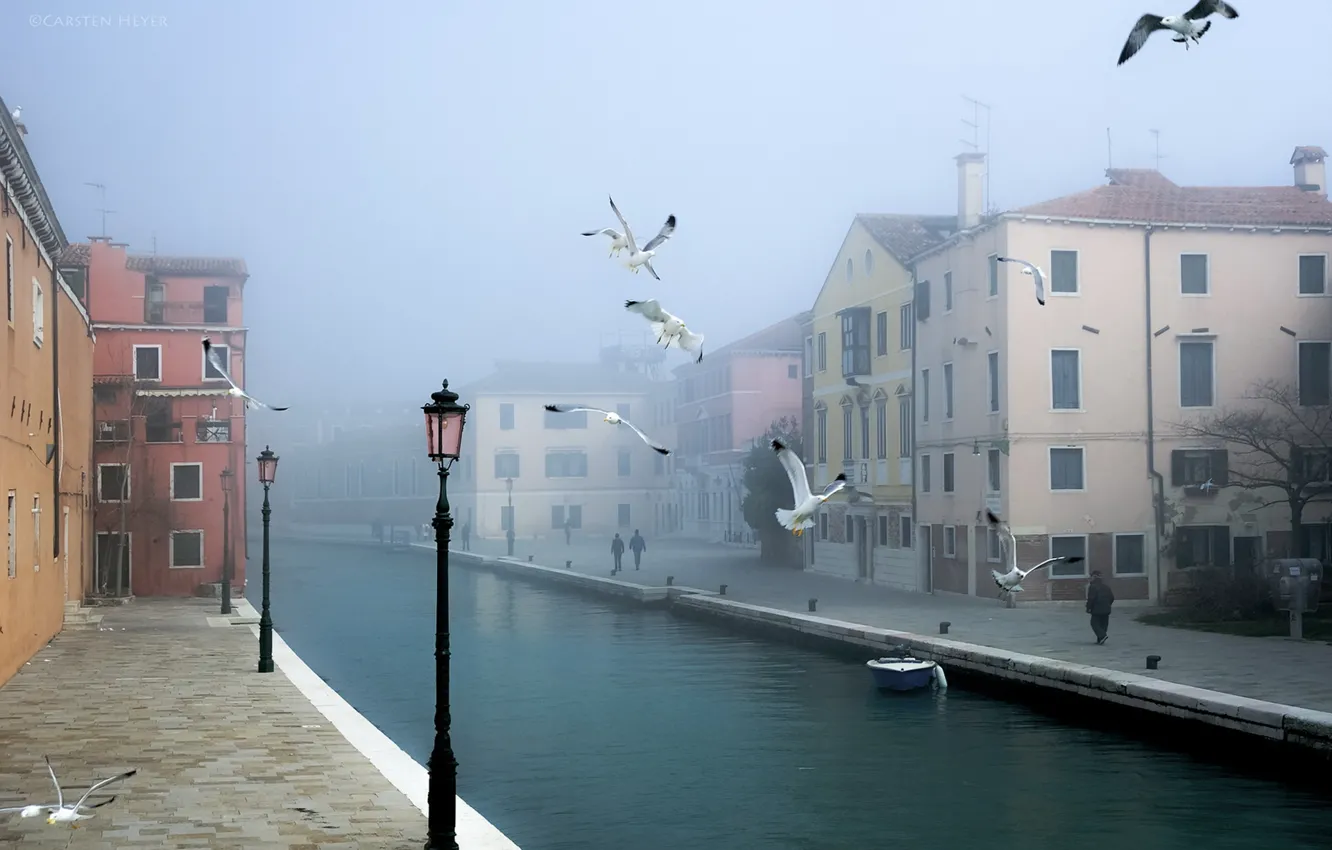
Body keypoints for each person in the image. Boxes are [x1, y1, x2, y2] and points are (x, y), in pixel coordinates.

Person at [1086, 570, 1115, 645]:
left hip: (1097, 608)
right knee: (1103, 624)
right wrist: (1108, 604)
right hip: (1106, 608)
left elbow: (1091, 598)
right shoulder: (1106, 587)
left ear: (1094, 577)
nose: (1090, 578)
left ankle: (1102, 636)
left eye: (1091, 576)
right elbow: (1112, 597)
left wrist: (1088, 607)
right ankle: (1100, 639)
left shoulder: (1092, 587)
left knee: (1094, 623)